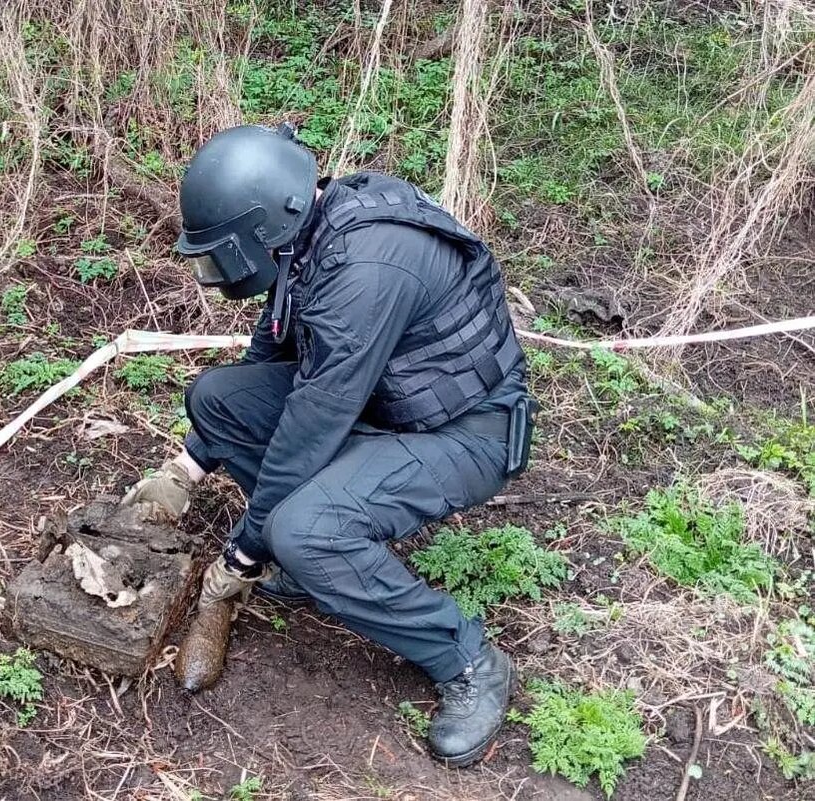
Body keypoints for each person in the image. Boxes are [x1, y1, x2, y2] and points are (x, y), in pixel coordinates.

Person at [121, 124, 536, 768]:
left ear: (259, 232)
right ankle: (308, 551)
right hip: (384, 401)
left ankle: (466, 658)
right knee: (217, 397)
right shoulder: (308, 234)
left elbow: (312, 424)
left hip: (462, 429)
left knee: (304, 531)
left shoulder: (365, 273)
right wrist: (189, 462)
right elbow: (271, 351)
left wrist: (242, 553)